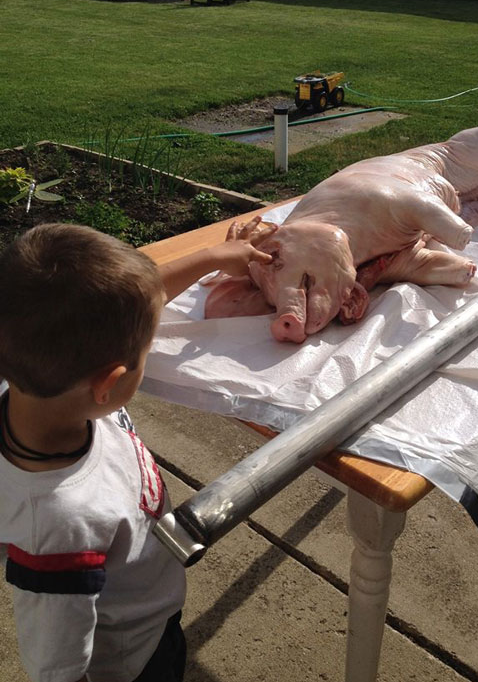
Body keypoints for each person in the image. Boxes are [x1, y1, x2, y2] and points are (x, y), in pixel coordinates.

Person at [0, 218, 276, 682]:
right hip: (135, 649)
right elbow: (55, 660)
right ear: (109, 383)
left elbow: (124, 302)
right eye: (147, 351)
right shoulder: (60, 529)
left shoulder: (31, 378)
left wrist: (213, 258)